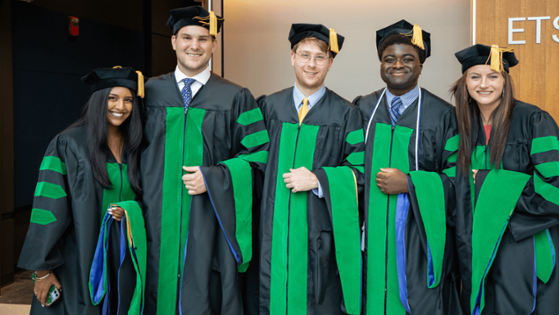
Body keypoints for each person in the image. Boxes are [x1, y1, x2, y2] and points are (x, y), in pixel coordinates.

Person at [450, 44, 559, 315]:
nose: (484, 84)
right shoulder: (458, 125)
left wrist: (486, 182)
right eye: (475, 77)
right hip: (474, 241)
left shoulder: (533, 120)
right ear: (465, 82)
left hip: (521, 242)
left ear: (505, 81)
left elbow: (557, 192)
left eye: (493, 76)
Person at [141, 5, 269, 315]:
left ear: (213, 44)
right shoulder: (148, 93)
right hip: (152, 217)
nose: (194, 46)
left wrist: (215, 177)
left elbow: (259, 157)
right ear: (173, 41)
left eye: (203, 38)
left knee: (205, 291)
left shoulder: (236, 97)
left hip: (209, 219)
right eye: (187, 37)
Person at [353, 20, 463, 314]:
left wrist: (410, 184)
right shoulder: (361, 109)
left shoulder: (444, 116)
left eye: (407, 58)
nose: (397, 64)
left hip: (420, 238)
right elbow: (346, 166)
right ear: (380, 64)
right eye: (389, 59)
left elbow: (459, 178)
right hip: (369, 236)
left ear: (421, 66)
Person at [18, 66, 146, 314]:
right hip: (78, 258)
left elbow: (149, 198)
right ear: (99, 100)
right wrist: (43, 271)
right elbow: (48, 208)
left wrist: (131, 210)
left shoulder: (138, 146)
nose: (121, 106)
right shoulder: (69, 143)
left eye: (128, 100)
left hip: (123, 257)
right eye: (112, 98)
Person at [257, 23, 364, 315]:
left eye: (320, 57)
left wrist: (319, 179)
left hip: (318, 236)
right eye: (304, 55)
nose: (311, 64)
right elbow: (251, 164)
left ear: (330, 63)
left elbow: (360, 171)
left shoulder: (347, 114)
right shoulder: (268, 107)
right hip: (271, 231)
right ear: (292, 57)